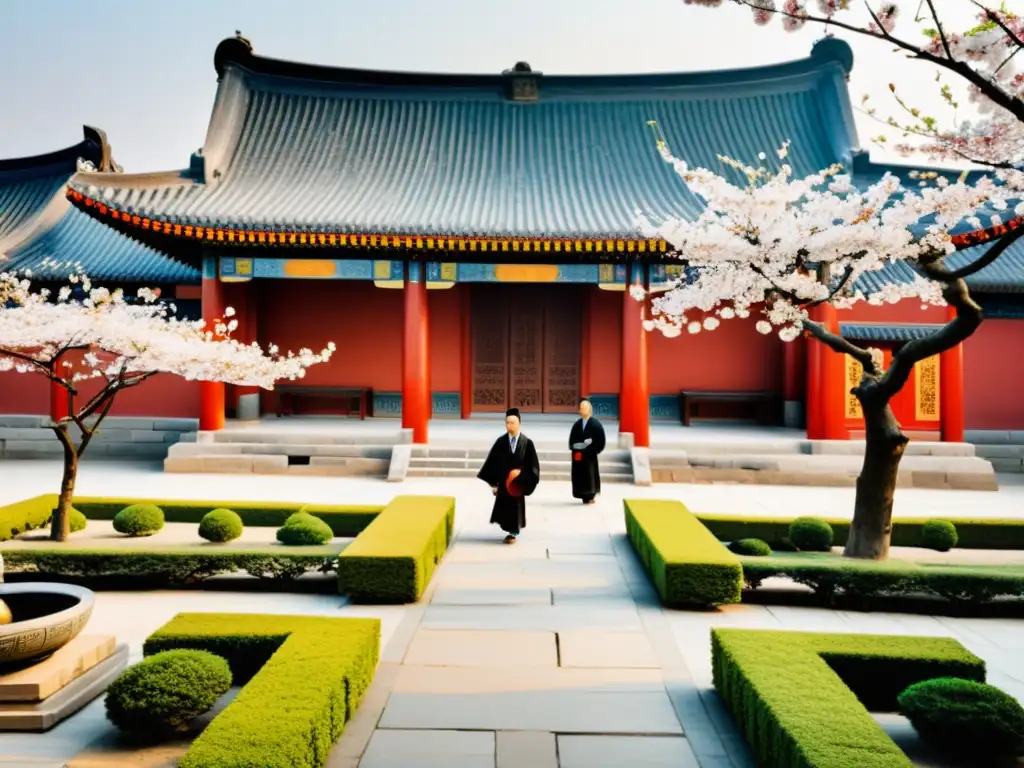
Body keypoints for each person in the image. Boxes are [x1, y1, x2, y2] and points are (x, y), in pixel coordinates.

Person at [477, 408, 540, 543]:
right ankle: (509, 529)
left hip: (518, 482)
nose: (509, 425)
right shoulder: (501, 442)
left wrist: (523, 479)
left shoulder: (527, 443)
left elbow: (533, 465)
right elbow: (492, 462)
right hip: (503, 481)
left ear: (519, 424)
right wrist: (493, 484)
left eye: (513, 423)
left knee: (516, 510)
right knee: (504, 511)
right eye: (507, 423)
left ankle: (513, 532)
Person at [569, 397, 606, 504]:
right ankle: (580, 493)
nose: (582, 410)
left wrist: (593, 450)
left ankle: (590, 495)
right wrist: (575, 447)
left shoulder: (596, 425)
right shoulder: (577, 425)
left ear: (589, 409)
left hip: (589, 456)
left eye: (584, 408)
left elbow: (600, 440)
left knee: (590, 475)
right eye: (581, 408)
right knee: (579, 475)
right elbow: (572, 440)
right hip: (579, 455)